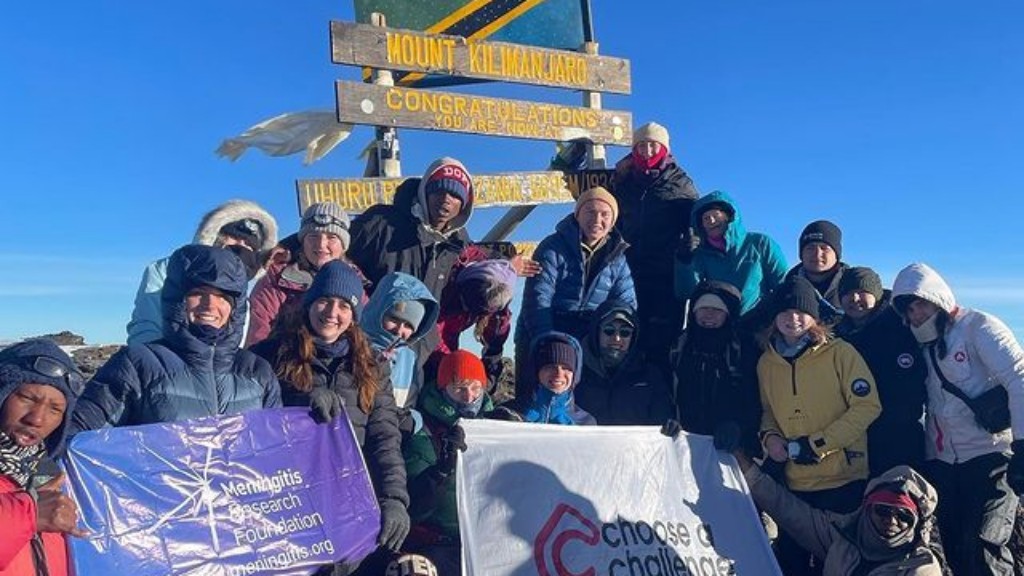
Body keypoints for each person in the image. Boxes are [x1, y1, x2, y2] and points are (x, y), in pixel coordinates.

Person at [250, 260, 409, 574]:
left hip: (350, 507)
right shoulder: (270, 356)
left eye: (344, 305)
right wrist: (298, 405)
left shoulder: (373, 366)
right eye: (324, 300)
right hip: (289, 504)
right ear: (309, 303)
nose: (332, 312)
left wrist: (394, 500)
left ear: (353, 316)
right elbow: (251, 426)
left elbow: (385, 438)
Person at [891, 262, 1024, 576]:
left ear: (937, 298)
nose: (916, 315)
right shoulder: (922, 346)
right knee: (955, 549)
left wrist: (1022, 443)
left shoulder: (978, 326)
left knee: (985, 547)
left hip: (990, 454)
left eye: (920, 304)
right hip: (943, 462)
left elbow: (1018, 377)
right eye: (909, 310)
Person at [70, 245, 282, 433]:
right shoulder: (138, 364)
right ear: (177, 298)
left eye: (222, 296)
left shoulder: (256, 371)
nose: (210, 304)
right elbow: (81, 439)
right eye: (198, 292)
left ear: (236, 307)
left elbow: (277, 447)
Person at [757, 275, 881, 576]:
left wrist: (818, 445)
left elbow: (868, 406)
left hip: (844, 481)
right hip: (796, 483)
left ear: (814, 316)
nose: (793, 318)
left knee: (840, 564)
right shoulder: (766, 362)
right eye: (785, 311)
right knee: (791, 564)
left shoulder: (840, 353)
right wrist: (770, 437)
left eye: (801, 311)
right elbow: (768, 411)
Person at [515, 186, 635, 401]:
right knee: (534, 402)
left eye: (605, 214)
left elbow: (626, 304)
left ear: (613, 220)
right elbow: (537, 299)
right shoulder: (552, 247)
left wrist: (610, 339)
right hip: (543, 331)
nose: (597, 219)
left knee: (580, 406)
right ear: (577, 214)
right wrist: (547, 341)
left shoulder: (618, 257)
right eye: (590, 212)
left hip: (588, 339)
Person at [736, 453, 944, 575]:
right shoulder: (842, 534)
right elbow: (788, 509)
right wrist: (742, 464)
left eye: (904, 516)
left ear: (916, 522)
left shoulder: (922, 567)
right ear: (867, 508)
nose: (892, 520)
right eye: (883, 510)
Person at [127, 199, 278, 345]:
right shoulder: (167, 269)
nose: (241, 250)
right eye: (234, 241)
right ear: (214, 239)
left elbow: (235, 344)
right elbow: (146, 327)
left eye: (249, 245)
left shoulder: (243, 288)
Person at [611, 121, 700, 369]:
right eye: (641, 145)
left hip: (665, 276)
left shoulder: (681, 184)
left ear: (665, 148)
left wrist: (690, 246)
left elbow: (696, 222)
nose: (647, 151)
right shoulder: (623, 181)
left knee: (662, 341)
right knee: (628, 337)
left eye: (653, 145)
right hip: (628, 273)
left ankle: (661, 399)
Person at [403, 350, 495, 575]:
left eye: (475, 387)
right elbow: (413, 509)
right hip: (435, 542)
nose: (469, 397)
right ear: (443, 389)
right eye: (459, 388)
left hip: (483, 539)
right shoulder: (422, 431)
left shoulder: (492, 426)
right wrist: (441, 471)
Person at [0, 339, 87, 576]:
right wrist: (29, 516)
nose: (37, 419)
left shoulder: (51, 478)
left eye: (55, 409)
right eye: (27, 398)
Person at [835, 267, 927, 477]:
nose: (855, 298)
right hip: (857, 436)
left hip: (901, 435)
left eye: (862, 292)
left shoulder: (901, 325)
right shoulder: (838, 336)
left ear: (876, 294)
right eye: (848, 293)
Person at [347, 157, 474, 299]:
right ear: (425, 192)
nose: (446, 199)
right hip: (373, 320)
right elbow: (341, 258)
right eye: (438, 191)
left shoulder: (461, 250)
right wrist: (366, 299)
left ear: (464, 205)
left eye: (455, 195)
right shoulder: (381, 222)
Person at [670, 281, 762, 455]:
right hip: (685, 443)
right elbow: (666, 388)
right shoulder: (678, 346)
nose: (709, 315)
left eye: (718, 310)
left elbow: (756, 396)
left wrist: (738, 425)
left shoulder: (743, 349)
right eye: (703, 308)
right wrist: (669, 418)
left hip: (731, 446)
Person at [245, 201, 352, 347]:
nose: (321, 244)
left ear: (343, 245)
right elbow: (259, 332)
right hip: (285, 363)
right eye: (313, 236)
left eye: (331, 237)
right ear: (302, 241)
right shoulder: (277, 277)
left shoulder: (357, 281)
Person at [674, 190, 788, 318]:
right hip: (719, 325)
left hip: (758, 323)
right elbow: (686, 292)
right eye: (705, 218)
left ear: (729, 217)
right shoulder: (700, 254)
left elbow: (783, 285)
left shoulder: (760, 243)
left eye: (715, 215)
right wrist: (684, 261)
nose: (711, 220)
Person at [574, 300, 672, 425]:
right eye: (609, 330)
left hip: (632, 445)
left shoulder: (650, 376)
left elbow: (662, 416)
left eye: (625, 332)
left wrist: (670, 427)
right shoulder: (575, 372)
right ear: (596, 332)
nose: (617, 338)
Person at [431, 256, 517, 391]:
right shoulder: (447, 294)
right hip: (436, 344)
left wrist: (487, 379)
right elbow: (437, 336)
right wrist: (452, 370)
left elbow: (495, 339)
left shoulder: (497, 299)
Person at [361, 272, 440, 409]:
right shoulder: (354, 345)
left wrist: (411, 422)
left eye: (408, 326)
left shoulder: (409, 359)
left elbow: (409, 405)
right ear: (379, 311)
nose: (399, 330)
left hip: (389, 427)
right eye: (394, 319)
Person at [514, 332, 595, 426]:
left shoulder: (585, 423)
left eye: (566, 368)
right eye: (550, 367)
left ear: (575, 375)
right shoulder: (508, 415)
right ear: (536, 371)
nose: (558, 374)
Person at [784, 220, 849, 326]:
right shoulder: (786, 289)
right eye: (810, 248)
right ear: (801, 254)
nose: (817, 254)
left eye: (824, 248)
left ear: (836, 255)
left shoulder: (853, 287)